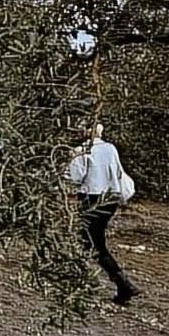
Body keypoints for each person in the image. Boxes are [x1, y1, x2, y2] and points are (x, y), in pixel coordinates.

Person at [65, 122, 139, 305]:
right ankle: (119, 284)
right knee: (94, 240)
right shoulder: (110, 148)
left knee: (90, 242)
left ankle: (121, 284)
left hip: (92, 199)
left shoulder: (81, 150)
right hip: (110, 200)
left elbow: (73, 177)